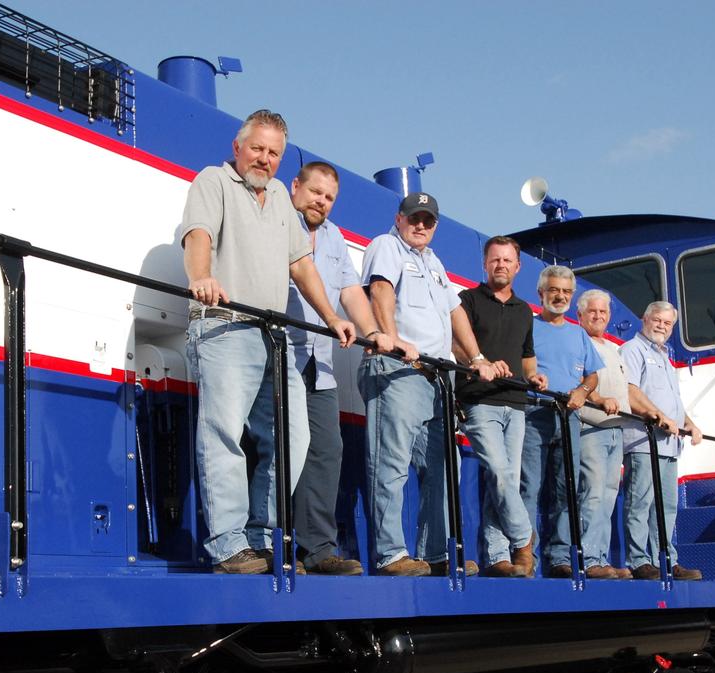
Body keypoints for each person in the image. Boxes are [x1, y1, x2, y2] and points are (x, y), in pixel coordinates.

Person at [179, 110, 356, 574]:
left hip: (273, 337)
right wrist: (201, 278)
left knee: (292, 439)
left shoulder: (279, 196)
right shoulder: (213, 181)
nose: (264, 158)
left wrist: (332, 316)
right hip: (224, 324)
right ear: (238, 147)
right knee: (223, 433)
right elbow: (197, 235)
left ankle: (263, 538)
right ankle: (227, 544)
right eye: (257, 148)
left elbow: (301, 265)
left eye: (274, 152)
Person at [359, 192, 500, 576]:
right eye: (414, 218)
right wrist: (392, 340)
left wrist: (478, 358)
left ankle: (436, 553)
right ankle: (390, 554)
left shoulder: (434, 262)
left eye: (428, 220)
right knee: (390, 463)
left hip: (436, 380)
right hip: (398, 370)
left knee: (445, 464)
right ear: (399, 217)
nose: (421, 225)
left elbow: (455, 313)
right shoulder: (386, 246)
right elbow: (380, 291)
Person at [285, 161, 406, 575]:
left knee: (327, 450)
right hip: (279, 352)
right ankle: (268, 546)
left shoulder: (334, 238)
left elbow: (352, 292)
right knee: (277, 448)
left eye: (329, 197)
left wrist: (375, 333)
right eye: (315, 191)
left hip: (319, 362)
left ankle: (317, 550)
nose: (321, 201)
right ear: (295, 186)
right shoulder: (277, 219)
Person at [455, 237, 545, 577]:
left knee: (503, 481)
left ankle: (497, 557)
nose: (501, 265)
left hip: (516, 403)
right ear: (485, 263)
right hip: (479, 399)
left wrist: (535, 377)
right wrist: (483, 362)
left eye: (508, 260)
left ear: (518, 266)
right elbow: (457, 345)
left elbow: (527, 356)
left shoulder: (525, 311)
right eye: (495, 260)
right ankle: (524, 543)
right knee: (500, 472)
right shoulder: (468, 300)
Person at [519, 265, 614, 579]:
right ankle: (526, 558)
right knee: (528, 488)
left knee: (565, 491)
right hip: (535, 415)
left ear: (572, 298)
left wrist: (583, 391)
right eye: (553, 290)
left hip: (569, 418)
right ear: (541, 293)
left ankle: (560, 557)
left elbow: (593, 374)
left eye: (565, 292)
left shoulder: (578, 333)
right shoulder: (528, 327)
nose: (559, 296)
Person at [620, 301, 704, 581]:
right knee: (639, 503)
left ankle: (666, 560)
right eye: (657, 320)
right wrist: (658, 416)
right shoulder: (632, 350)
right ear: (644, 319)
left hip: (669, 445)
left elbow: (674, 403)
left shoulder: (665, 358)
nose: (661, 326)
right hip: (643, 443)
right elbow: (629, 391)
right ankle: (638, 561)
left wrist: (688, 424)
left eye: (668, 324)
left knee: (667, 507)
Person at [573, 289, 636, 580]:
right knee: (594, 494)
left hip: (616, 431)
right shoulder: (577, 341)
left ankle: (600, 557)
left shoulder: (613, 349)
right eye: (593, 312)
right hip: (592, 428)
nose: (599, 317)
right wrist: (598, 399)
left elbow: (626, 391)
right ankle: (589, 559)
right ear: (581, 315)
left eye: (603, 312)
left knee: (609, 496)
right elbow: (578, 381)